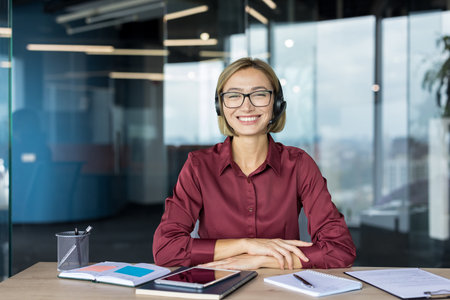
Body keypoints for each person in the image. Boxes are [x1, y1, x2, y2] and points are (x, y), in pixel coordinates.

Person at [153, 57, 356, 270]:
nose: (247, 106)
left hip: (280, 288)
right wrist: (248, 245)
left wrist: (262, 259)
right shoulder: (198, 166)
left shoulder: (298, 164)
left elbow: (340, 249)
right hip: (216, 287)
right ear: (220, 106)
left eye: (259, 94)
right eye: (234, 96)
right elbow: (166, 249)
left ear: (277, 104)